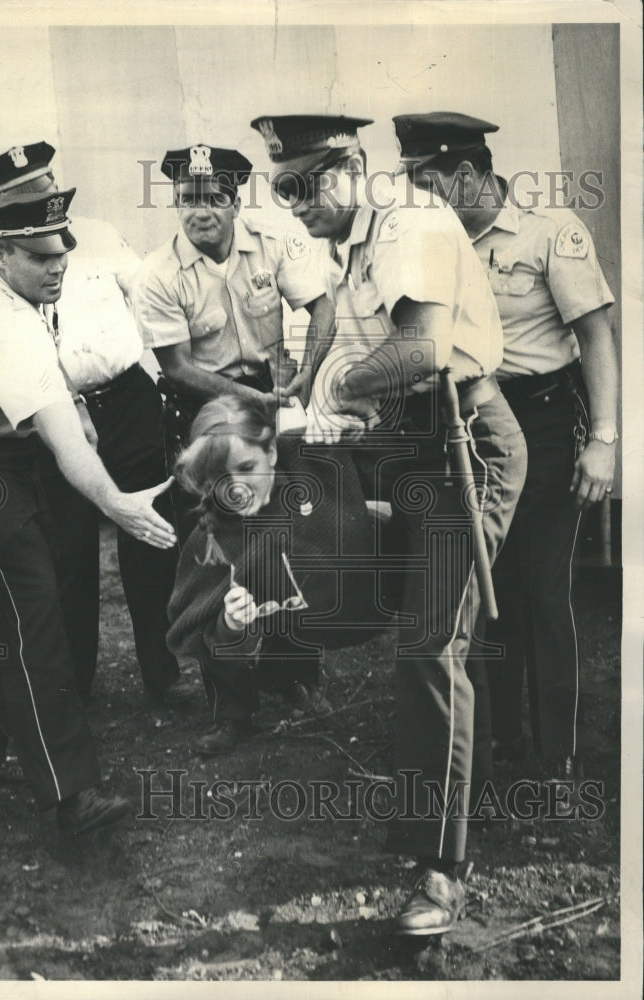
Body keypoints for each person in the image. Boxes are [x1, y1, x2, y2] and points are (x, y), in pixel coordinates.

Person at [251, 113, 527, 935]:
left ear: (356, 165)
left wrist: (334, 396)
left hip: (464, 444)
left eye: (310, 183)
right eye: (283, 187)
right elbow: (354, 339)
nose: (296, 203)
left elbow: (421, 353)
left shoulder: (410, 221)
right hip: (409, 446)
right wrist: (323, 391)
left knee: (431, 646)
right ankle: (431, 808)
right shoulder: (354, 242)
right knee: (379, 620)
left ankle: (441, 871)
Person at [0, 182, 176, 835]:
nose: (57, 265)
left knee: (22, 595)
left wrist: (81, 405)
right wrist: (119, 504)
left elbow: (56, 383)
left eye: (61, 251)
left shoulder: (28, 288)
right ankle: (70, 796)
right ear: (1, 255)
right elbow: (62, 441)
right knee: (34, 601)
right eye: (38, 256)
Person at [393, 112, 618, 777]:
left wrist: (603, 440)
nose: (417, 197)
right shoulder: (432, 244)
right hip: (470, 427)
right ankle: (498, 744)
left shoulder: (551, 232)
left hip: (545, 420)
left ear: (467, 174)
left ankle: (557, 754)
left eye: (427, 182)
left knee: (541, 590)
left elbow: (597, 337)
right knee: (483, 589)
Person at [0, 143, 185, 706]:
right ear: (4, 207)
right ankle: (75, 687)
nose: (43, 199)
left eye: (47, 186)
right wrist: (70, 401)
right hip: (61, 413)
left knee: (149, 540)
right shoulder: (4, 261)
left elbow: (149, 295)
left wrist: (170, 376)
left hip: (129, 398)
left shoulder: (100, 233)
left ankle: (162, 674)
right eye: (27, 195)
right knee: (69, 551)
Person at [166, 394, 396, 755]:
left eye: (246, 468)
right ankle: (232, 714)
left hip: (326, 608)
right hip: (267, 614)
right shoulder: (210, 538)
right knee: (220, 614)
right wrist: (229, 624)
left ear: (271, 452)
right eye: (218, 478)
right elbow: (194, 628)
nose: (235, 488)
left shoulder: (313, 471)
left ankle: (286, 676)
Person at [132, 143, 335, 537]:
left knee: (288, 512)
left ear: (236, 205)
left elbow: (323, 309)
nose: (201, 211)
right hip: (202, 407)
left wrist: (306, 375)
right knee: (209, 525)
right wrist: (247, 398)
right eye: (188, 200)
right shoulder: (156, 273)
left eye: (215, 199)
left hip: (271, 393)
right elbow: (176, 367)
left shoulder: (271, 244)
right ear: (176, 205)